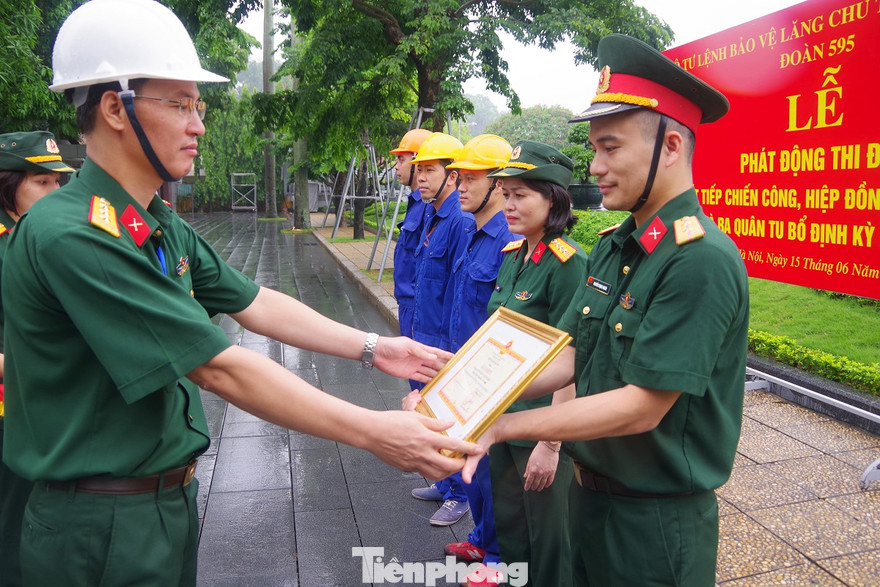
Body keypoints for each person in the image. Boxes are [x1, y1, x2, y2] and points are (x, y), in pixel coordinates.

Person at [0, 1, 478, 585]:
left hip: (156, 505)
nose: (198, 124)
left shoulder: (148, 219)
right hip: (97, 524)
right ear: (113, 108)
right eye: (178, 105)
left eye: (196, 106)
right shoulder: (74, 233)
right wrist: (373, 430)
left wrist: (376, 347)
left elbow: (254, 301)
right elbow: (219, 369)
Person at [463, 34, 749, 586]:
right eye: (594, 149)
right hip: (590, 501)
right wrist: (464, 394)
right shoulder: (621, 245)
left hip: (655, 527)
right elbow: (567, 352)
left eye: (610, 147)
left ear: (671, 147)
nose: (594, 166)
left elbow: (642, 407)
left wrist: (501, 428)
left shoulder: (699, 259)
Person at [482, 140, 585, 586]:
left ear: (554, 198)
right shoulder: (514, 255)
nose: (508, 204)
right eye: (505, 194)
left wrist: (552, 443)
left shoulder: (569, 264)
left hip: (540, 427)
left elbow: (573, 359)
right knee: (512, 528)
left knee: (549, 540)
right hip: (502, 417)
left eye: (520, 195)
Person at [433, 134, 515, 577]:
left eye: (471, 179)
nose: (460, 186)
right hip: (463, 371)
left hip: (493, 381)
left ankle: (499, 559)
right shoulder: (472, 231)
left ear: (500, 185)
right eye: (458, 178)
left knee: (495, 473)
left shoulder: (511, 242)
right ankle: (482, 541)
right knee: (475, 470)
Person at [0, 131, 74, 587]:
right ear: (8, 184)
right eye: (42, 182)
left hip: (47, 407)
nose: (55, 193)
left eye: (58, 182)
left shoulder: (48, 237)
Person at [406, 132, 472, 526]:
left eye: (430, 170)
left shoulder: (460, 222)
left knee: (449, 421)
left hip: (443, 342)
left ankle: (460, 494)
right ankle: (446, 485)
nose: (420, 178)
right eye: (419, 170)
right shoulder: (433, 213)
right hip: (422, 334)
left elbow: (458, 289)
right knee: (428, 415)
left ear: (452, 177)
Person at [389, 127, 432, 390]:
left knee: (422, 386)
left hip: (418, 309)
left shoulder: (430, 209)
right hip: (407, 305)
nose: (396, 165)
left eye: (401, 159)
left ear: (418, 162)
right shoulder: (418, 203)